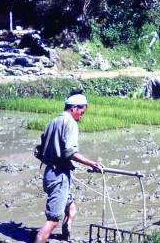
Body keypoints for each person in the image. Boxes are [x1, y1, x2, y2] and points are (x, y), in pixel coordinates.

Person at [34, 93, 105, 243]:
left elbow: (38, 152)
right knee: (53, 220)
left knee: (71, 210)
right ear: (74, 108)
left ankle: (65, 239)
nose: (82, 116)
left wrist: (51, 163)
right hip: (60, 177)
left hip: (50, 174)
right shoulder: (70, 123)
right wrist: (92, 164)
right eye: (82, 112)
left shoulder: (52, 122)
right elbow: (70, 152)